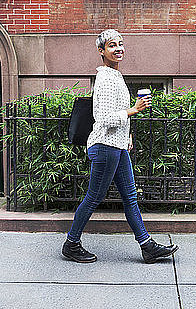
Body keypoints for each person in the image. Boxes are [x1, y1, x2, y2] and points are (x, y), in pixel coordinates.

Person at [62, 29, 179, 264]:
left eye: (121, 44)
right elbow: (103, 117)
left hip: (117, 146)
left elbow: (117, 116)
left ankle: (147, 247)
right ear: (101, 51)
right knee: (93, 198)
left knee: (130, 198)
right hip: (105, 147)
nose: (118, 48)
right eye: (112, 45)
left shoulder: (116, 76)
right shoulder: (105, 78)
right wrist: (134, 110)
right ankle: (71, 244)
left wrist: (128, 134)